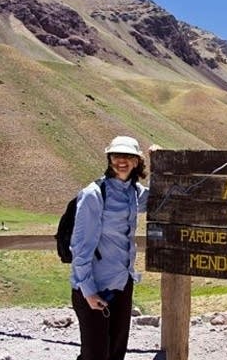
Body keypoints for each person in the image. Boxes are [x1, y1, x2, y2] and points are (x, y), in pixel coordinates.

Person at [70, 136, 150, 360]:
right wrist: (88, 290)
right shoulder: (93, 194)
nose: (122, 161)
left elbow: (162, 197)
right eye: (116, 155)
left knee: (116, 353)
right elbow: (80, 247)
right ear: (109, 159)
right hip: (95, 289)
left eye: (128, 156)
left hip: (123, 285)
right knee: (95, 355)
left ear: (137, 161)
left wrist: (162, 161)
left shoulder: (134, 192)